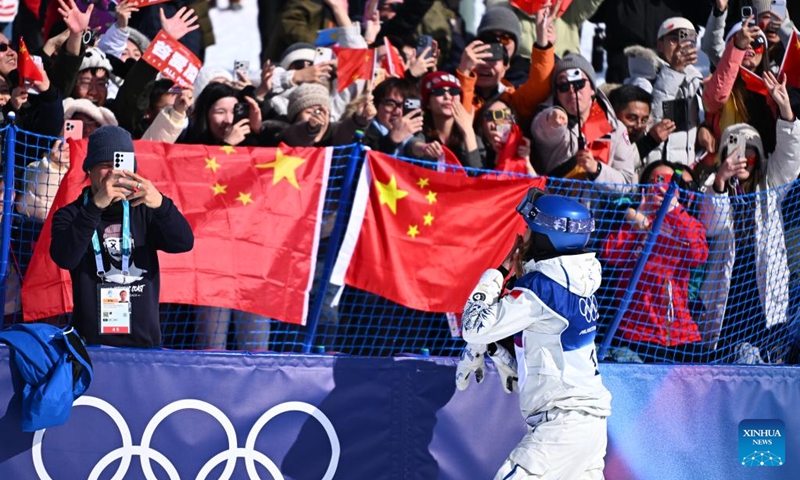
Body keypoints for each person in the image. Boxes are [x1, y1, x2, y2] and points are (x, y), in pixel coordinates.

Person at [459, 189, 611, 479]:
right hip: (586, 425)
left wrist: (500, 270)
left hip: (564, 424)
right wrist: (499, 353)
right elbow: (547, 339)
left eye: (530, 229)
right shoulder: (578, 278)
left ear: (546, 238)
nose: (523, 236)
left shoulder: (541, 288)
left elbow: (473, 326)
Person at [50, 126, 194, 348]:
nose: (114, 174)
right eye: (106, 166)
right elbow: (64, 257)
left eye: (120, 166)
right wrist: (95, 207)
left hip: (143, 345)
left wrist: (162, 205)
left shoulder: (143, 209)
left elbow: (183, 242)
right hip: (90, 345)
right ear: (89, 169)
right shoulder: (71, 214)